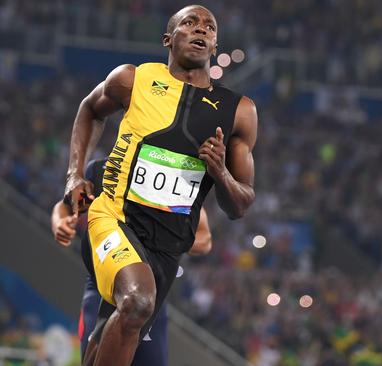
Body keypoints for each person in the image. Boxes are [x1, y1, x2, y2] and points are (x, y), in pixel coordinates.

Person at [62, 4, 257, 365]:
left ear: (215, 45)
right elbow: (89, 110)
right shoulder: (132, 79)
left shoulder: (238, 112)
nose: (201, 29)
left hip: (167, 248)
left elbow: (240, 205)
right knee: (137, 302)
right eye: (190, 22)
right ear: (169, 38)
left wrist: (220, 172)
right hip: (113, 218)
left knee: (113, 328)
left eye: (209, 27)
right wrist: (75, 174)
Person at [51, 157, 213, 365]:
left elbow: (204, 238)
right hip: (103, 290)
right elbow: (68, 207)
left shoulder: (172, 175)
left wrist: (167, 238)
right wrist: (60, 223)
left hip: (150, 292)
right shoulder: (108, 170)